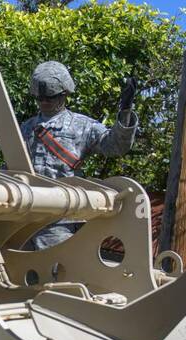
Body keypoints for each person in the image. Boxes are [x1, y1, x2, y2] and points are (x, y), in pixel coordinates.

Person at [19, 61, 139, 250]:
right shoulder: (25, 127)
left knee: (57, 274)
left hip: (60, 220)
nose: (44, 102)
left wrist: (125, 113)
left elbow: (115, 146)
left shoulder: (82, 126)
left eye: (50, 97)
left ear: (64, 94)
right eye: (40, 98)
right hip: (22, 219)